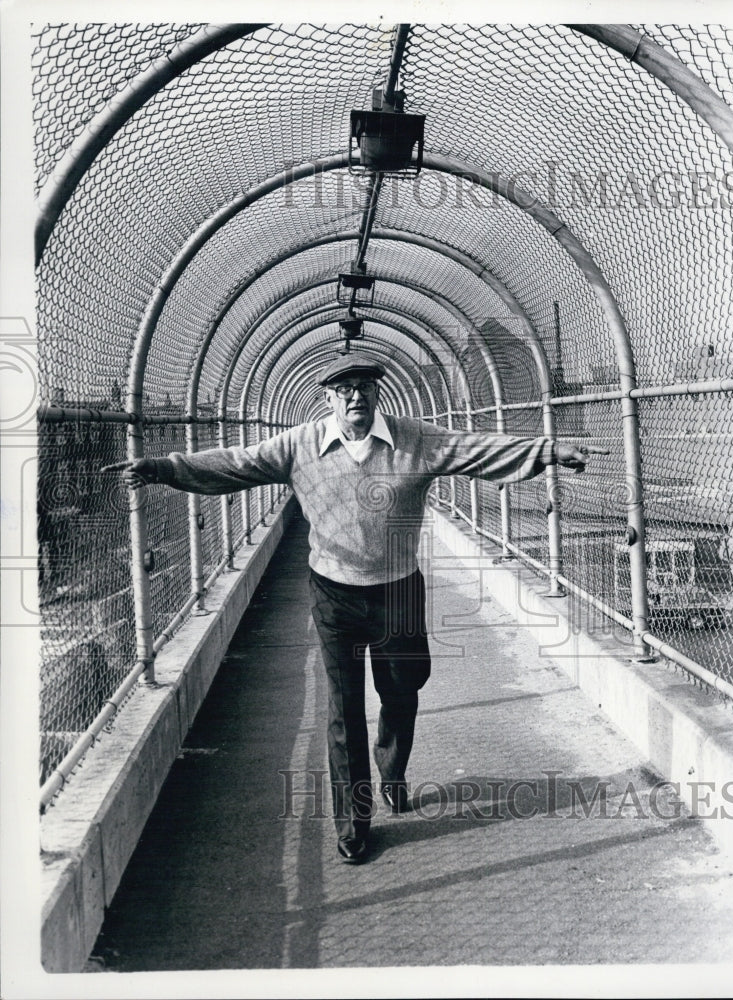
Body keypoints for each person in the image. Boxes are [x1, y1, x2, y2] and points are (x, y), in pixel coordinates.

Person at [106, 353, 608, 864]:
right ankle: (353, 823)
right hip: (334, 594)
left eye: (364, 386)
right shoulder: (300, 445)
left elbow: (477, 449)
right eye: (343, 389)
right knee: (343, 711)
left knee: (403, 689)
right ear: (328, 397)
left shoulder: (416, 439)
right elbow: (238, 463)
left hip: (398, 591)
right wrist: (166, 468)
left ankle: (392, 771)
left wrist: (551, 451)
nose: (355, 396)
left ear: (377, 393)